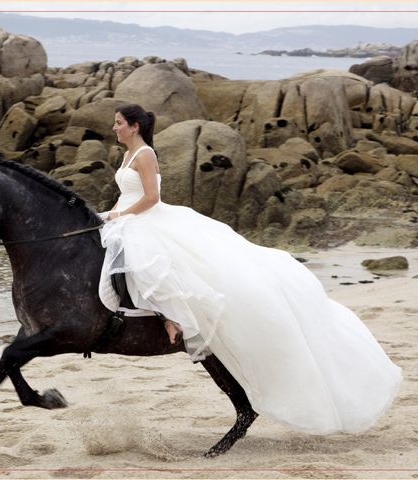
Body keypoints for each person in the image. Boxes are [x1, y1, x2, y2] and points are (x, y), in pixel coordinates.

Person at [99, 103, 402, 435]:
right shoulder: (127, 155)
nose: (114, 128)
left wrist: (120, 217)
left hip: (147, 220)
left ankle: (171, 319)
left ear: (134, 127)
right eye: (114, 123)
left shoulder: (144, 154)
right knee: (119, 261)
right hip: (128, 219)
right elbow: (126, 195)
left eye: (118, 123)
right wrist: (107, 216)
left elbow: (152, 197)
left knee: (151, 266)